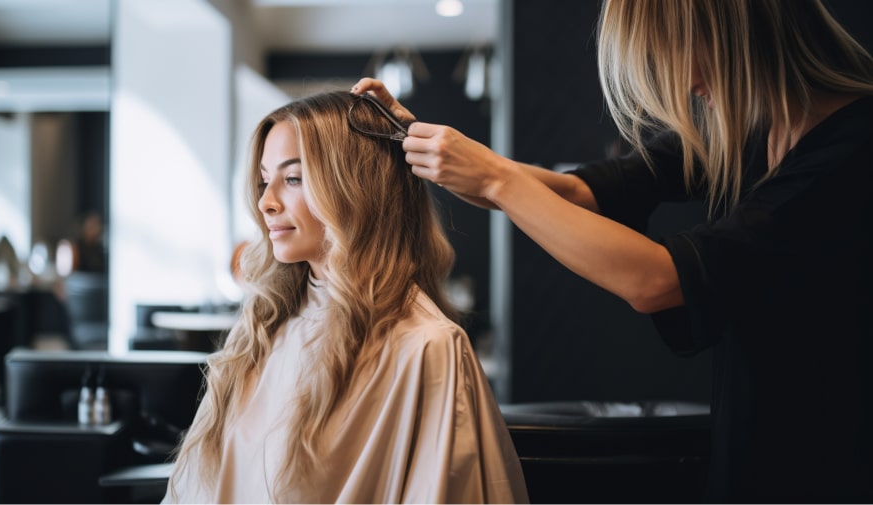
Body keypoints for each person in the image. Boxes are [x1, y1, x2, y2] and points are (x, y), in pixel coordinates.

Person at [353, 0, 873, 502]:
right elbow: (580, 193)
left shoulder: (852, 151)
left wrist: (493, 178)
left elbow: (661, 281)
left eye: (681, 51)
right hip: (749, 452)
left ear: (743, 33)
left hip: (828, 464)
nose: (685, 83)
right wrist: (424, 145)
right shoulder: (749, 132)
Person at [162, 91, 528, 503]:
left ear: (355, 187)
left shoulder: (426, 347)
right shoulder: (261, 330)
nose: (266, 202)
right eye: (265, 180)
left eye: (293, 178)